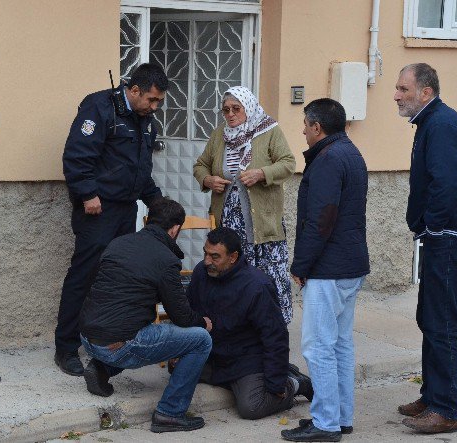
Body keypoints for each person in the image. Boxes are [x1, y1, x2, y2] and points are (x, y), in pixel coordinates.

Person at [56, 63, 168, 376]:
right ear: (134, 90)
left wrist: (157, 202)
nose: (154, 107)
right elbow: (77, 156)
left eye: (158, 101)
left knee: (117, 278)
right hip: (98, 210)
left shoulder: (146, 121)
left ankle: (109, 340)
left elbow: (140, 170)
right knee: (85, 276)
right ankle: (66, 348)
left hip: (125, 209)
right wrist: (87, 193)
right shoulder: (99, 107)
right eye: (151, 100)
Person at [393, 63, 457, 434]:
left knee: (442, 324)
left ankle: (445, 410)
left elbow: (447, 186)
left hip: (451, 238)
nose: (397, 95)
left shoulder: (442, 124)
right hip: (443, 237)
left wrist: (430, 226)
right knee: (430, 319)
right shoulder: (430, 122)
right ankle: (432, 397)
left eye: (403, 88)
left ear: (426, 92)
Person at [78, 197, 213, 433]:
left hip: (87, 337)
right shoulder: (166, 260)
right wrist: (203, 322)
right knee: (201, 340)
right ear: (174, 229)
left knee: (131, 322)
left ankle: (101, 369)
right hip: (119, 345)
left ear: (149, 221)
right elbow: (181, 316)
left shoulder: (118, 243)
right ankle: (170, 413)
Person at [281, 98, 369, 442]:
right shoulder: (350, 152)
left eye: (305, 124)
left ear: (317, 127)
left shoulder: (329, 160)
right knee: (340, 345)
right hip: (349, 266)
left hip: (329, 268)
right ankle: (339, 417)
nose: (303, 130)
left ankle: (327, 423)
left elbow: (322, 219)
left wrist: (301, 265)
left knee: (318, 347)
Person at [185, 227, 313, 420]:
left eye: (214, 256)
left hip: (246, 359)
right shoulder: (201, 273)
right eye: (205, 253)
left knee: (251, 407)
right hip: (214, 352)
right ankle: (257, 378)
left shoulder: (257, 286)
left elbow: (275, 336)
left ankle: (294, 383)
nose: (206, 261)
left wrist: (276, 383)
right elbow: (189, 313)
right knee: (178, 370)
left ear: (233, 257)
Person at [194, 86, 296, 325]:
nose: (230, 114)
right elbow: (200, 165)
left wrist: (262, 173)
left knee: (268, 277)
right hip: (229, 222)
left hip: (262, 224)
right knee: (232, 274)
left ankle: (273, 332)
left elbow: (288, 164)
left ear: (248, 107)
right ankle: (237, 329)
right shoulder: (220, 135)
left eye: (236, 109)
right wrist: (207, 179)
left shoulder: (269, 130)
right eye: (226, 110)